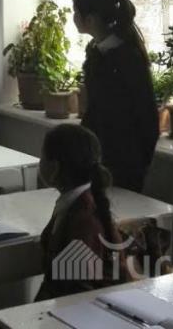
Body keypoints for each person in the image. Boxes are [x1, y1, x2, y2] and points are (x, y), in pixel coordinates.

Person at [72, 0, 159, 192]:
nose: (73, 17)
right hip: (99, 155)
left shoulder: (126, 57)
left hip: (124, 160)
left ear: (90, 19)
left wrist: (139, 161)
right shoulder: (97, 52)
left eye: (76, 12)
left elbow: (145, 114)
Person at [37, 124, 131, 300]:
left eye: (41, 157)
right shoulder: (77, 202)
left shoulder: (83, 221)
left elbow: (75, 293)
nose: (39, 163)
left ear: (55, 167)